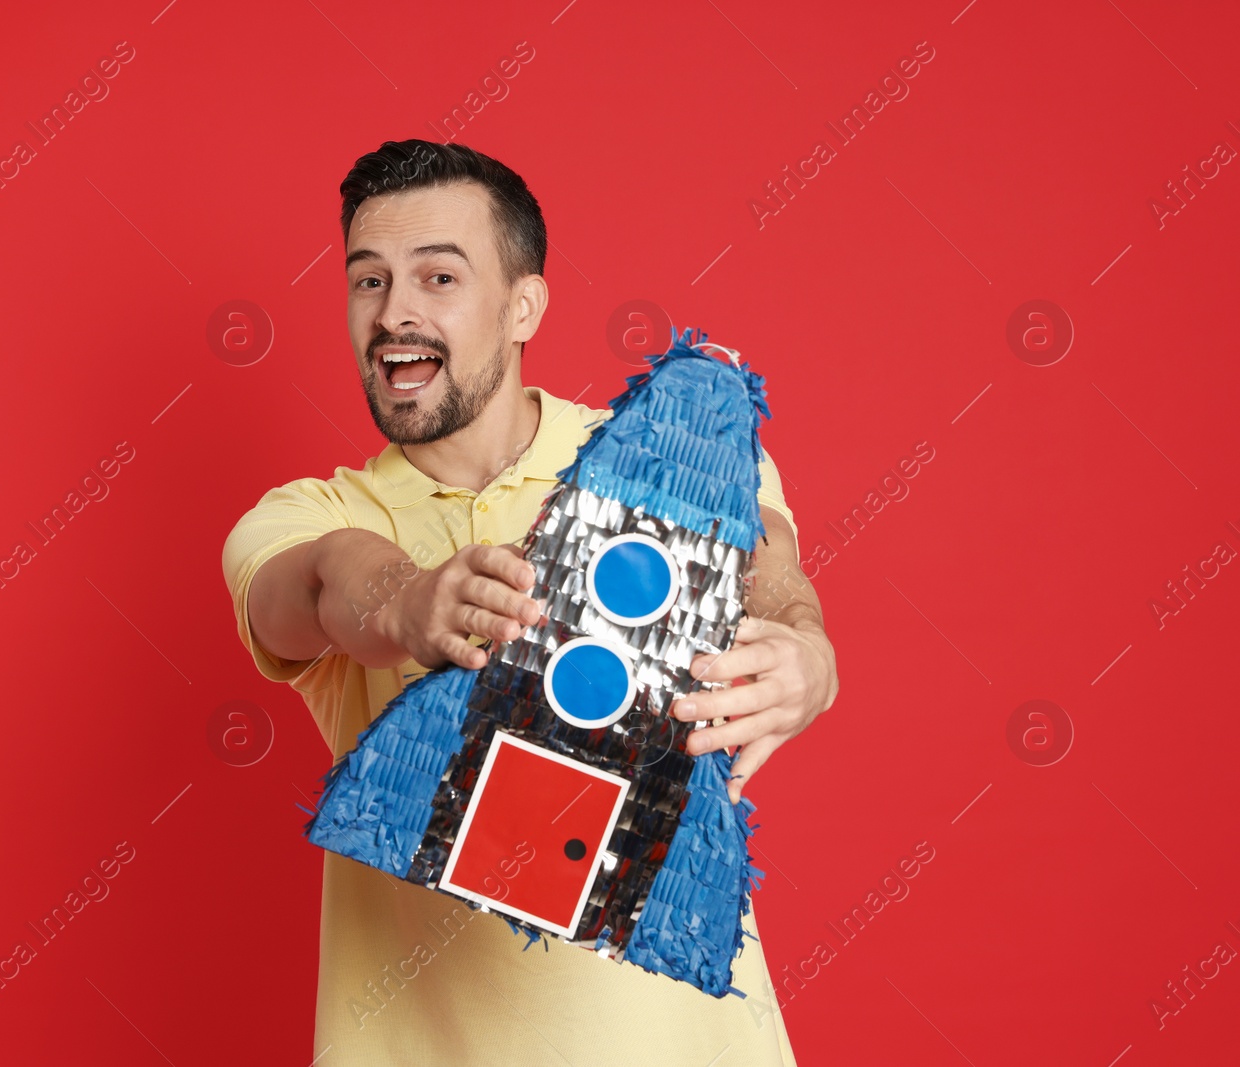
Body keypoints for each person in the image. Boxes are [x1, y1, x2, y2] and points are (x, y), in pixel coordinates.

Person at [221, 139, 839, 1066]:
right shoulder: (311, 514)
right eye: (368, 281)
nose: (395, 314)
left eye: (438, 277)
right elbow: (312, 584)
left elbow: (767, 560)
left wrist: (807, 649)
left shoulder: (660, 457)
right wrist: (410, 600)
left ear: (523, 305)